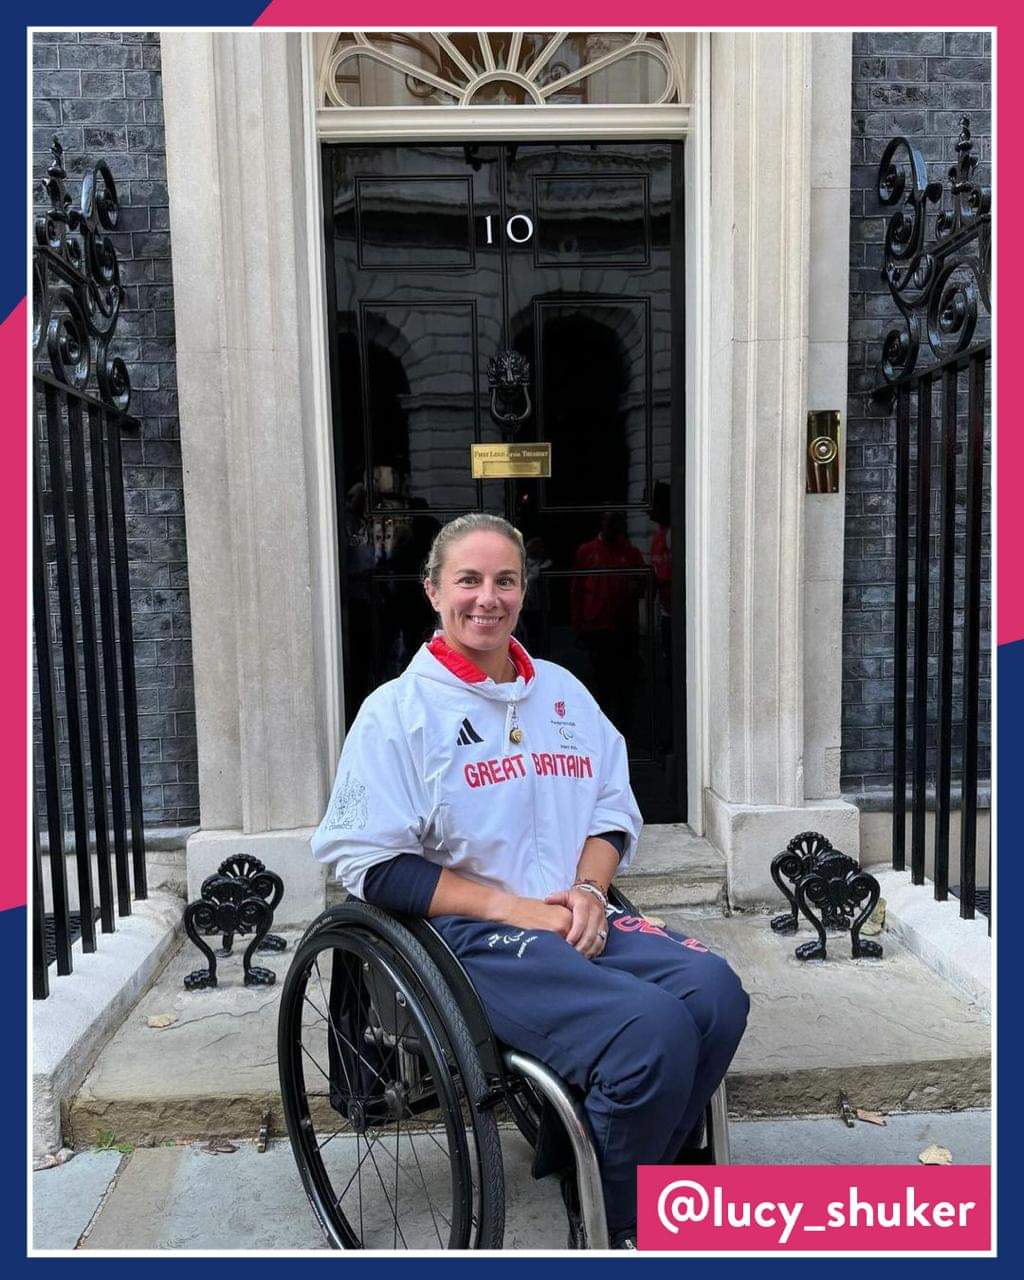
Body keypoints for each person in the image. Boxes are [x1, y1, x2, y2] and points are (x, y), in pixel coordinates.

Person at [312, 512, 749, 1250]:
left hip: (575, 914)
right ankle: (621, 1220)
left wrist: (587, 891)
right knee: (651, 1034)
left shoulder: (564, 694)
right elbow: (370, 862)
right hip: (469, 936)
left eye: (505, 580)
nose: (488, 598)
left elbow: (611, 810)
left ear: (524, 588)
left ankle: (630, 1162)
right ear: (432, 591)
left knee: (715, 993)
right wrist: (513, 908)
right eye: (469, 580)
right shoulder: (397, 714)